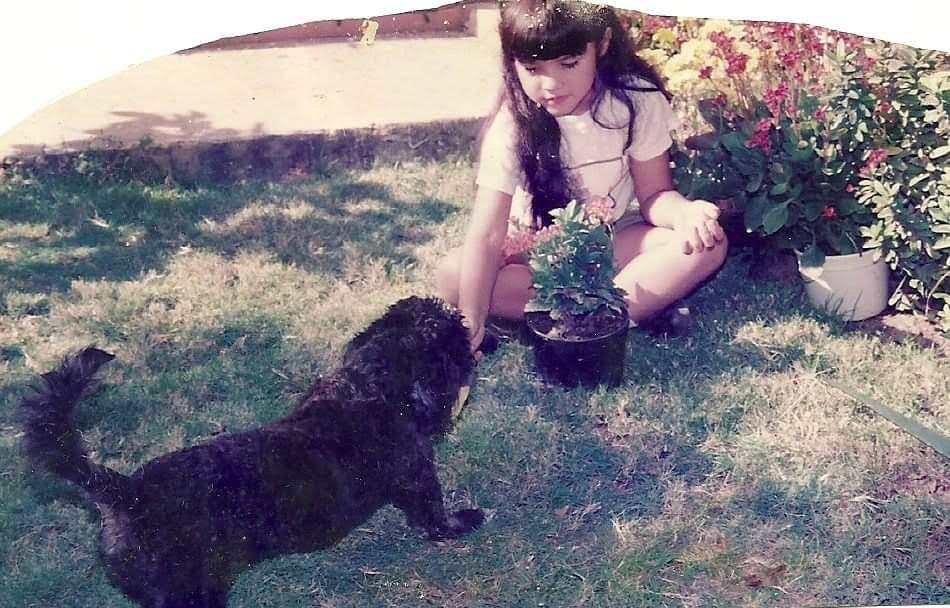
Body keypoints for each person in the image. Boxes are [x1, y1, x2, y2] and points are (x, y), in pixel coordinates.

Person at [434, 0, 727, 354]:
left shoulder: (636, 100)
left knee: (706, 243)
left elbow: (655, 195)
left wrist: (684, 214)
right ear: (512, 62)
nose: (551, 84)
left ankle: (583, 321)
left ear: (601, 45)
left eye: (569, 63)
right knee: (453, 275)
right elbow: (488, 233)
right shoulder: (513, 125)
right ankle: (613, 311)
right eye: (531, 67)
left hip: (612, 241)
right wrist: (471, 321)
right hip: (539, 256)